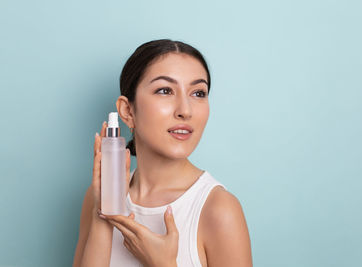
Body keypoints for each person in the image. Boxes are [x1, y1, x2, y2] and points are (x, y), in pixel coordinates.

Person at [73, 39, 253, 267]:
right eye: (165, 90)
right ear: (127, 111)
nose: (185, 111)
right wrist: (104, 214)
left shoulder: (218, 209)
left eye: (198, 93)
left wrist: (164, 264)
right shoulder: (97, 196)